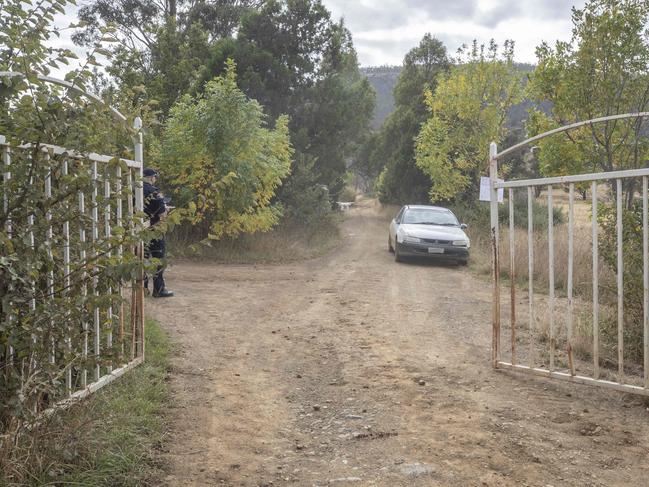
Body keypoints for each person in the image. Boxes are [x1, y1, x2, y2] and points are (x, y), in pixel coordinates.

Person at [143, 168, 174, 298]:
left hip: (139, 231)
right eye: (154, 177)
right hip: (155, 230)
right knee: (158, 259)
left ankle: (142, 289)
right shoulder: (155, 193)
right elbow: (162, 215)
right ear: (151, 177)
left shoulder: (136, 191)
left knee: (142, 259)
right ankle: (159, 289)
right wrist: (166, 209)